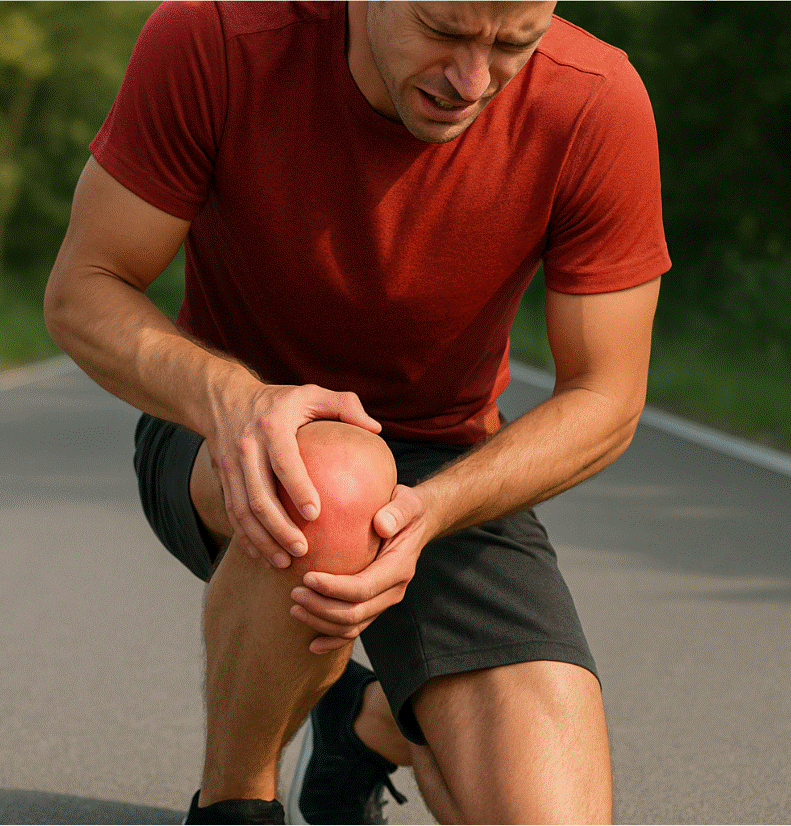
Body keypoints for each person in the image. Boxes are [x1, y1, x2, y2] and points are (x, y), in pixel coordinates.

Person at [44, 1, 670, 822]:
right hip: (221, 428)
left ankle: (367, 724)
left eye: (513, 44)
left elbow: (606, 398)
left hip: (448, 471)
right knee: (335, 481)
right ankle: (236, 804)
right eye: (444, 33)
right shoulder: (215, 39)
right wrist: (233, 401)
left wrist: (431, 508)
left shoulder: (595, 98)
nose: (471, 80)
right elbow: (83, 291)